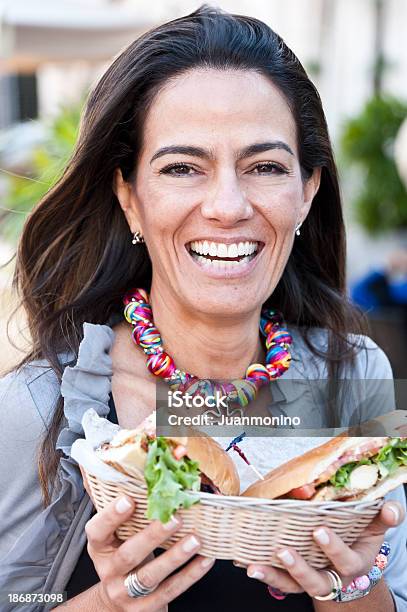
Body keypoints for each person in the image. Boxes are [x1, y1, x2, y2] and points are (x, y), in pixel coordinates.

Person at [0, 5, 406, 611]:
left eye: (265, 167)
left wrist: (352, 586)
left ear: (307, 192)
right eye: (183, 168)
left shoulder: (350, 375)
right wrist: (112, 602)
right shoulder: (44, 407)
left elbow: (391, 594)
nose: (227, 205)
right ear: (130, 198)